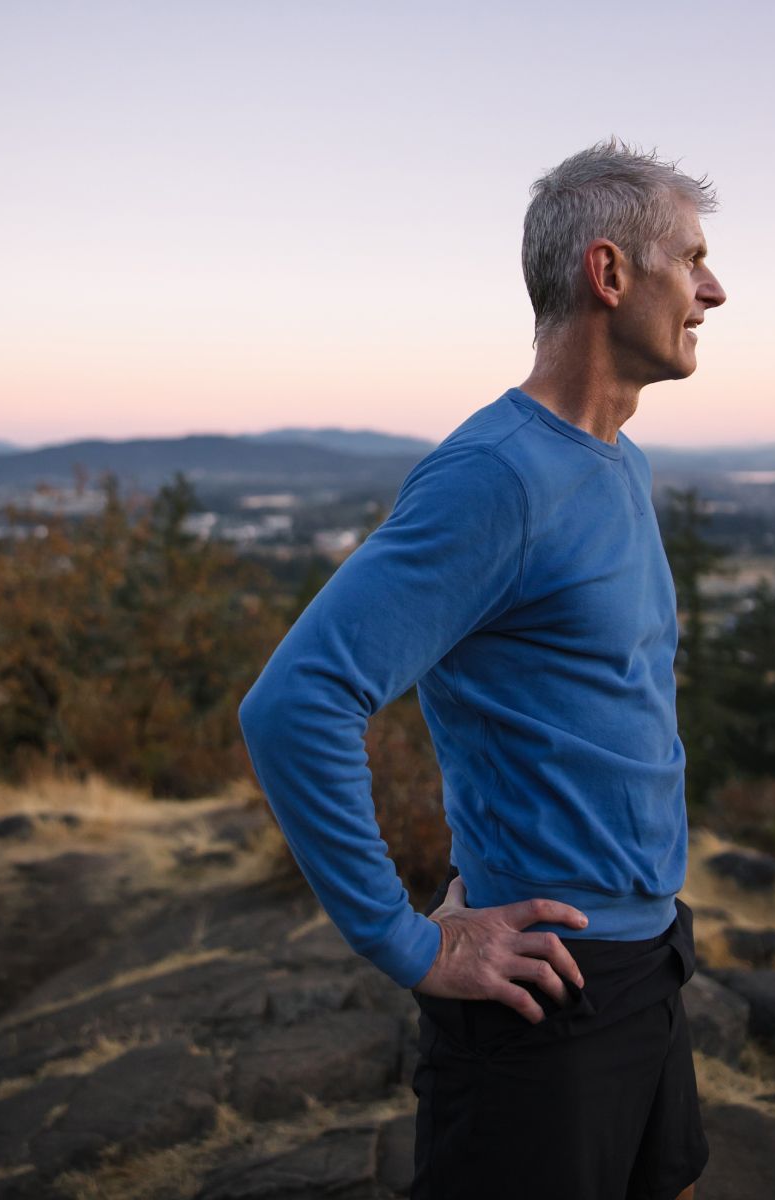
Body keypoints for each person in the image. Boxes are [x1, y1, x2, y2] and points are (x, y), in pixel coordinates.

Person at [238, 136, 727, 1200]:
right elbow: (296, 702)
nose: (714, 290)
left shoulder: (618, 464)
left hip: (646, 962)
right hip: (543, 995)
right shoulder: (495, 478)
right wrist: (407, 942)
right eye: (690, 260)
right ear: (608, 274)